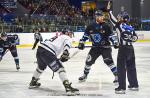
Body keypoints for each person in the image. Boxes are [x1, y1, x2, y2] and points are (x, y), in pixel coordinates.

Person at [29, 30, 79, 95]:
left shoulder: (58, 37)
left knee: (40, 67)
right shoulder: (67, 37)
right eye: (70, 34)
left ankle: (33, 82)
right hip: (48, 52)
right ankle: (68, 87)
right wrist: (65, 52)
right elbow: (67, 44)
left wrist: (61, 57)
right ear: (67, 33)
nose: (71, 35)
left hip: (40, 50)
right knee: (61, 69)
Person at [78, 10, 119, 84]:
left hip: (105, 47)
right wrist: (81, 43)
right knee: (88, 61)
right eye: (99, 16)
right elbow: (85, 36)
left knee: (108, 61)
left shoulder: (106, 26)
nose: (101, 18)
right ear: (96, 17)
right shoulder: (90, 26)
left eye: (102, 16)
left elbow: (112, 36)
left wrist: (115, 42)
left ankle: (117, 76)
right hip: (95, 48)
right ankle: (85, 75)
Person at [107, 2, 139, 94]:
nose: (118, 18)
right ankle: (134, 85)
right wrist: (129, 39)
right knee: (131, 67)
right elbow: (135, 38)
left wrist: (109, 10)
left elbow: (111, 18)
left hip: (123, 49)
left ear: (122, 18)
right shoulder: (130, 27)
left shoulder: (119, 25)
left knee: (121, 68)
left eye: (120, 17)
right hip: (131, 49)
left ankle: (121, 88)